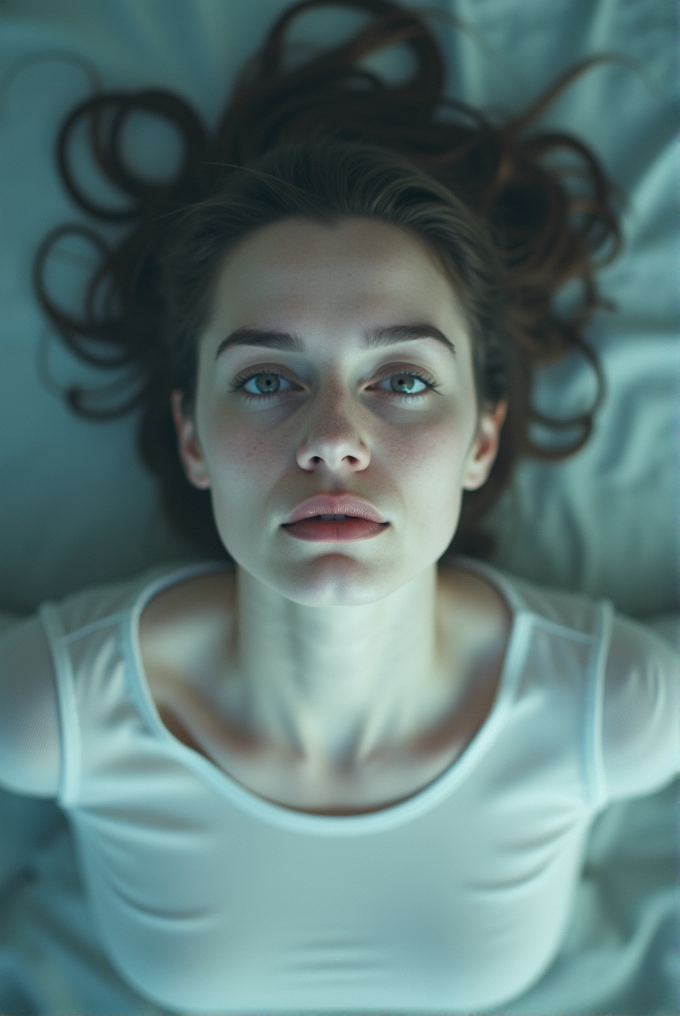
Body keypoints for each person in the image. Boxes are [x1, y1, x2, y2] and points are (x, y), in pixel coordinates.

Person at [1, 1, 678, 1012]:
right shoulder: (51, 713)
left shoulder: (611, 712)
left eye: (400, 379)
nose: (331, 435)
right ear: (192, 435)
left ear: (480, 438)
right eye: (268, 378)